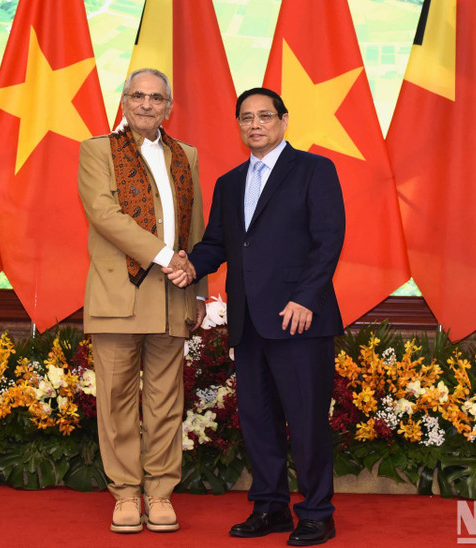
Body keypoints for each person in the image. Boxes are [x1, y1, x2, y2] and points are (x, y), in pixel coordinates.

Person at [166, 87, 345, 546]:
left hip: (299, 319)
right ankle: (270, 507)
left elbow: (328, 240)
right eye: (246, 118)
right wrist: (190, 265)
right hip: (248, 321)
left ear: (283, 120)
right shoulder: (230, 182)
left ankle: (317, 513)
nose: (255, 124)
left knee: (306, 421)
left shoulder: (314, 170)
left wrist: (306, 298)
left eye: (265, 116)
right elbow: (216, 244)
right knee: (258, 420)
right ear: (239, 126)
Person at [77, 68, 206, 534]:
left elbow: (195, 225)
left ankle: (160, 493)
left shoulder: (185, 154)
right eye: (138, 95)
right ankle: (127, 494)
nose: (147, 104)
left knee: (166, 402)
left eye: (156, 97)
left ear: (168, 107)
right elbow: (104, 214)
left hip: (174, 295)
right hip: (119, 295)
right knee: (115, 402)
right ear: (124, 102)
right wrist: (167, 257)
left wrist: (198, 287)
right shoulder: (97, 150)